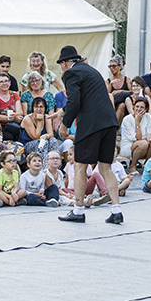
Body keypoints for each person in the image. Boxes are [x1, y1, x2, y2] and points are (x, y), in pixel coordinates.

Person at [56, 45, 124, 224]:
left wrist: (65, 124)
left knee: (79, 166)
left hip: (90, 124)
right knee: (105, 166)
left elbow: (75, 100)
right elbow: (89, 97)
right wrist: (62, 112)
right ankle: (116, 210)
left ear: (64, 63)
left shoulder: (70, 73)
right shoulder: (91, 71)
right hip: (109, 122)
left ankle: (78, 211)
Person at [120, 97, 151, 175]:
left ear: (146, 109)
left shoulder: (148, 116)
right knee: (143, 143)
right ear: (133, 107)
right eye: (137, 106)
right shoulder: (127, 119)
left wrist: (149, 136)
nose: (139, 109)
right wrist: (137, 123)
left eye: (142, 107)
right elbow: (136, 138)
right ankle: (133, 166)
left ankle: (148, 166)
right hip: (129, 145)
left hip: (144, 144)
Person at [19, 96, 61, 163]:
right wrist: (39, 121)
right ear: (33, 108)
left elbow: (51, 134)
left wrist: (46, 136)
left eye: (41, 107)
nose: (39, 109)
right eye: (36, 107)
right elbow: (35, 137)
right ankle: (42, 169)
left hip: (42, 144)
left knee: (53, 140)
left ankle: (54, 165)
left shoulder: (46, 117)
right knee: (43, 142)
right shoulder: (27, 119)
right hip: (27, 146)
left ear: (45, 108)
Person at [0, 73, 23, 141]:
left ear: (10, 83)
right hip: (0, 126)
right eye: (1, 82)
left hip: (14, 124)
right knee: (9, 136)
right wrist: (12, 118)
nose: (4, 83)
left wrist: (13, 117)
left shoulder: (15, 95)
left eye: (6, 81)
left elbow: (20, 112)